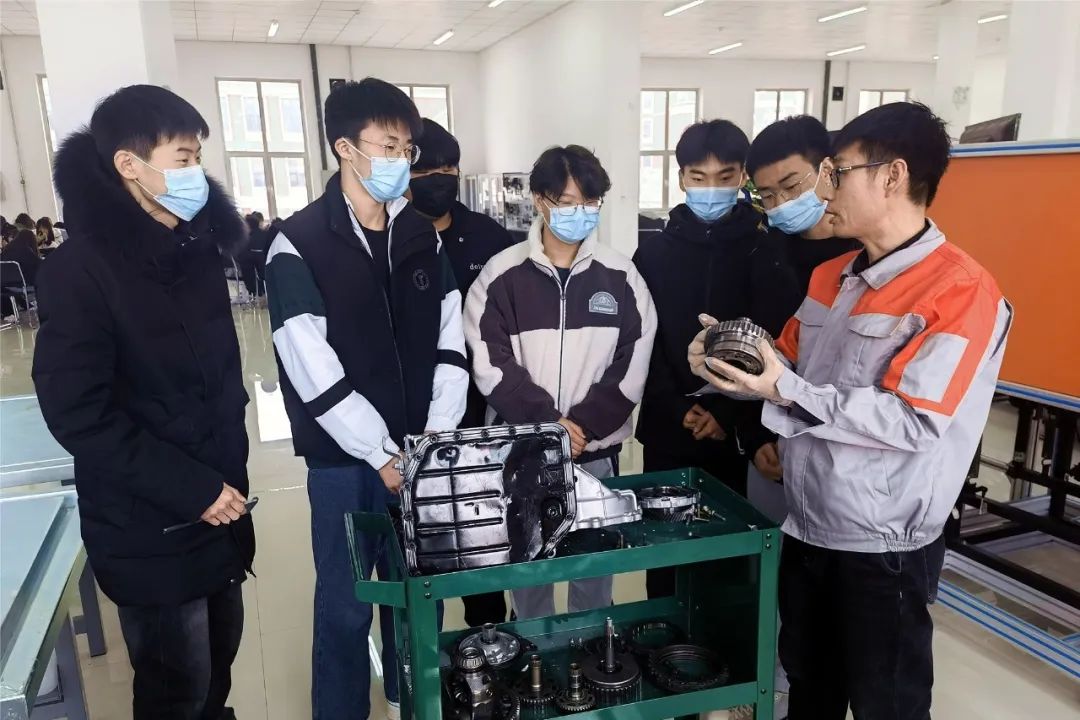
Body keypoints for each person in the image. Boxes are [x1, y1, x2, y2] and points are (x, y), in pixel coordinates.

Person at [689, 102, 1012, 720]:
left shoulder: (960, 291)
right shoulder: (832, 276)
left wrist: (784, 387)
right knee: (809, 692)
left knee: (885, 704)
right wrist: (726, 362)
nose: (823, 190)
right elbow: (783, 366)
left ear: (892, 176)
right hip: (808, 527)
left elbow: (912, 419)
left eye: (836, 173)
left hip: (883, 549)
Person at [32, 84, 254, 720]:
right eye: (182, 158)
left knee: (217, 670)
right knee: (175, 687)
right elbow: (79, 411)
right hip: (149, 522)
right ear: (128, 164)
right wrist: (191, 488)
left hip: (219, 505)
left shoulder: (195, 253)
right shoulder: (81, 270)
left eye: (197, 158)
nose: (195, 173)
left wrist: (222, 482)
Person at [264, 78, 468, 720]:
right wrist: (378, 452)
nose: (400, 160)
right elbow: (310, 366)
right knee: (347, 604)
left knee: (418, 593)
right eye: (387, 145)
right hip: (344, 464)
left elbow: (450, 340)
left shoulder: (421, 236)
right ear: (345, 148)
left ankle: (414, 701)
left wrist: (432, 439)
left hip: (419, 452)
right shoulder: (298, 243)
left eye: (407, 148)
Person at [464, 145, 656, 620]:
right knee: (529, 572)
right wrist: (549, 426)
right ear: (539, 200)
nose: (580, 213)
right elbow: (491, 364)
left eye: (590, 203)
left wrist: (583, 426)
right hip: (524, 454)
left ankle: (589, 652)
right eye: (567, 202)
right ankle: (535, 654)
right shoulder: (500, 275)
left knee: (594, 570)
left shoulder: (621, 276)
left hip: (595, 454)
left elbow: (634, 361)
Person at [632, 119, 800, 599]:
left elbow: (778, 343)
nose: (711, 189)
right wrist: (674, 405)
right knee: (663, 549)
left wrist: (727, 412)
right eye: (699, 178)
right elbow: (642, 342)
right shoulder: (652, 255)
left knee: (728, 558)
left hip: (740, 431)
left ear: (743, 176)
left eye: (725, 177)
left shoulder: (768, 252)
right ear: (681, 178)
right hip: (668, 426)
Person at [408, 117, 515, 628]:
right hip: (413, 414)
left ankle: (489, 636)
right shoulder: (392, 235)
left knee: (481, 533)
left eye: (449, 169)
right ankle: (423, 647)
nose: (440, 179)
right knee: (421, 541)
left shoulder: (488, 237)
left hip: (478, 413)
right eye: (426, 170)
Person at [745, 115, 861, 482]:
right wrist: (754, 436)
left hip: (847, 447)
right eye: (767, 195)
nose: (780, 203)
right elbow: (758, 348)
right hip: (771, 438)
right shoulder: (764, 255)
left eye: (791, 186)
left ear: (827, 170)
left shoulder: (864, 255)